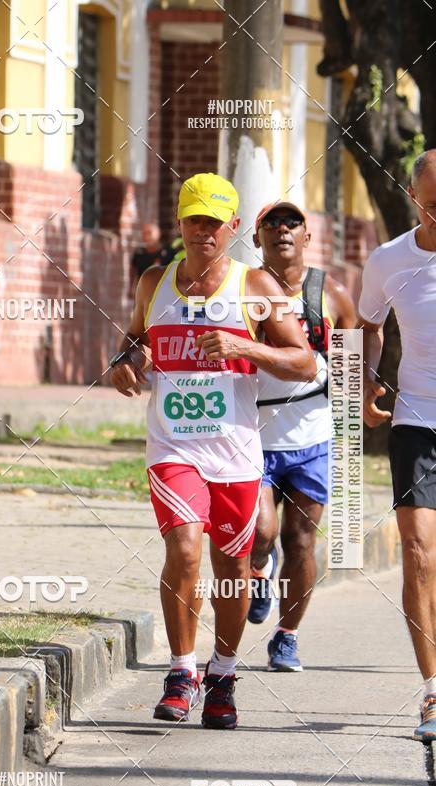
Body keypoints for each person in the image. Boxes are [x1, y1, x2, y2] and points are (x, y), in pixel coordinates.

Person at [110, 172, 315, 729]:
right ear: (180, 223)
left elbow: (305, 362)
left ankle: (222, 674)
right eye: (193, 219)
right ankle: (181, 670)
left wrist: (243, 344)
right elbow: (132, 340)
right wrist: (124, 366)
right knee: (184, 549)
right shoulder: (155, 282)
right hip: (173, 447)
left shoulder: (256, 288)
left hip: (237, 454)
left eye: (214, 221)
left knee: (234, 568)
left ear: (231, 227)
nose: (203, 231)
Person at [248, 201, 356, 672]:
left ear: (307, 237)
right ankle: (257, 573)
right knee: (260, 531)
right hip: (251, 432)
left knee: (301, 541)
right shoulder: (239, 289)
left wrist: (357, 407)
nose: (281, 230)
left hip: (312, 435)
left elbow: (354, 354)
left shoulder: (330, 293)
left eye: (292, 223)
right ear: (257, 239)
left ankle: (287, 637)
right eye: (270, 223)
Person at [359, 149, 436, 742]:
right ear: (415, 198)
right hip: (415, 419)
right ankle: (433, 692)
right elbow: (370, 323)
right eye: (435, 206)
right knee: (418, 552)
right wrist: (367, 380)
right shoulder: (388, 260)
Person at [130, 223, 176, 291]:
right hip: (144, 292)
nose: (147, 236)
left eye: (149, 233)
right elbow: (133, 271)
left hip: (165, 291)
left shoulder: (169, 252)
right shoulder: (138, 253)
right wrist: (130, 288)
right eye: (144, 233)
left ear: (158, 233)